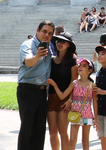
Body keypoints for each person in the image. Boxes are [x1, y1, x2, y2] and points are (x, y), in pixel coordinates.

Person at [17, 20, 54, 150]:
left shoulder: (49, 48)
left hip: (42, 92)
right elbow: (28, 62)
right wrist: (37, 56)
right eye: (44, 31)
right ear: (37, 30)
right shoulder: (27, 44)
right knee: (27, 128)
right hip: (27, 89)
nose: (46, 35)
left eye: (50, 33)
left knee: (39, 129)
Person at [47, 57, 96, 150]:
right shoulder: (74, 83)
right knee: (73, 140)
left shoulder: (92, 86)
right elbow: (62, 96)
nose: (80, 67)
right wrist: (54, 85)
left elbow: (95, 103)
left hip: (87, 116)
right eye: (79, 65)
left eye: (84, 66)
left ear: (90, 70)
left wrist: (96, 119)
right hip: (75, 114)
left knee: (85, 140)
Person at [47, 32, 78, 150]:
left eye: (63, 41)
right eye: (57, 41)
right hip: (51, 99)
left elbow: (74, 82)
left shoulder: (73, 61)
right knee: (52, 133)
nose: (59, 44)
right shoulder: (51, 60)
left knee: (63, 132)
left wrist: (70, 100)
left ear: (69, 44)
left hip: (65, 100)